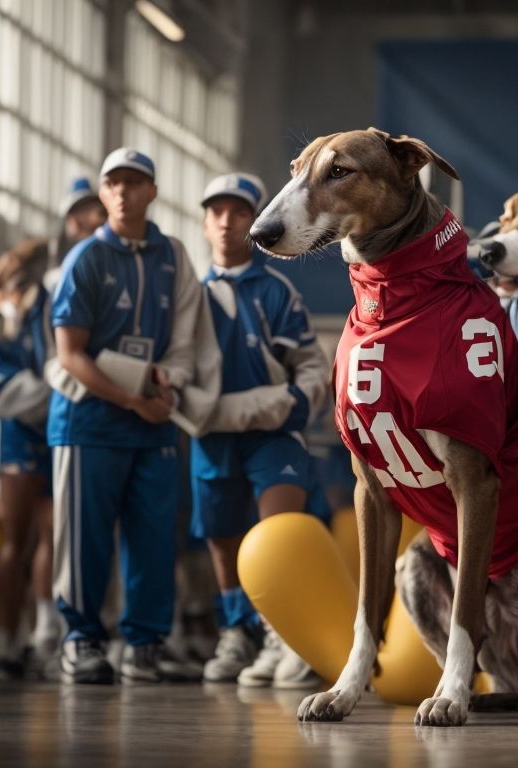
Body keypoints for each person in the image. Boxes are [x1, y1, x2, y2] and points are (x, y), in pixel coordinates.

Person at [46, 148, 210, 684]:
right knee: (84, 538)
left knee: (154, 537)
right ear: (102, 192)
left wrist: (168, 384)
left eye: (134, 182)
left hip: (153, 422)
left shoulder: (175, 257)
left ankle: (143, 645)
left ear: (152, 192)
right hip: (88, 423)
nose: (122, 192)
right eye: (113, 183)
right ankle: (82, 640)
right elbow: (70, 354)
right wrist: (131, 400)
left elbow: (185, 345)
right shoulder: (86, 259)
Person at [188, 173, 330, 686]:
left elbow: (311, 366)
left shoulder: (275, 289)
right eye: (216, 212)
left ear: (254, 221)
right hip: (211, 438)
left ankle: (282, 633)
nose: (227, 222)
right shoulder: (190, 294)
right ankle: (237, 632)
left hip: (274, 437)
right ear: (204, 224)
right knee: (222, 539)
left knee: (277, 533)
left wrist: (291, 401)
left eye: (239, 212)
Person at [0, 238, 59, 677]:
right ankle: (7, 641)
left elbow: (58, 364)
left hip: (51, 435)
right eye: (10, 284)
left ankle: (45, 633)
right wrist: (50, 395)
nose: (17, 292)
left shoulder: (47, 308)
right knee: (15, 540)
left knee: (51, 534)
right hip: (14, 439)